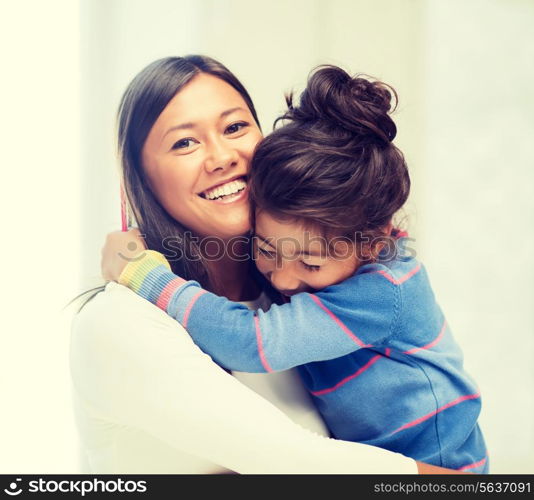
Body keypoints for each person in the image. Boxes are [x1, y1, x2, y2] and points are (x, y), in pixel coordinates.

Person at [73, 55, 464, 474]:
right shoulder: (120, 321)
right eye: (184, 142)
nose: (221, 157)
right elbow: (296, 464)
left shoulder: (295, 296)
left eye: (235, 127)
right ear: (139, 179)